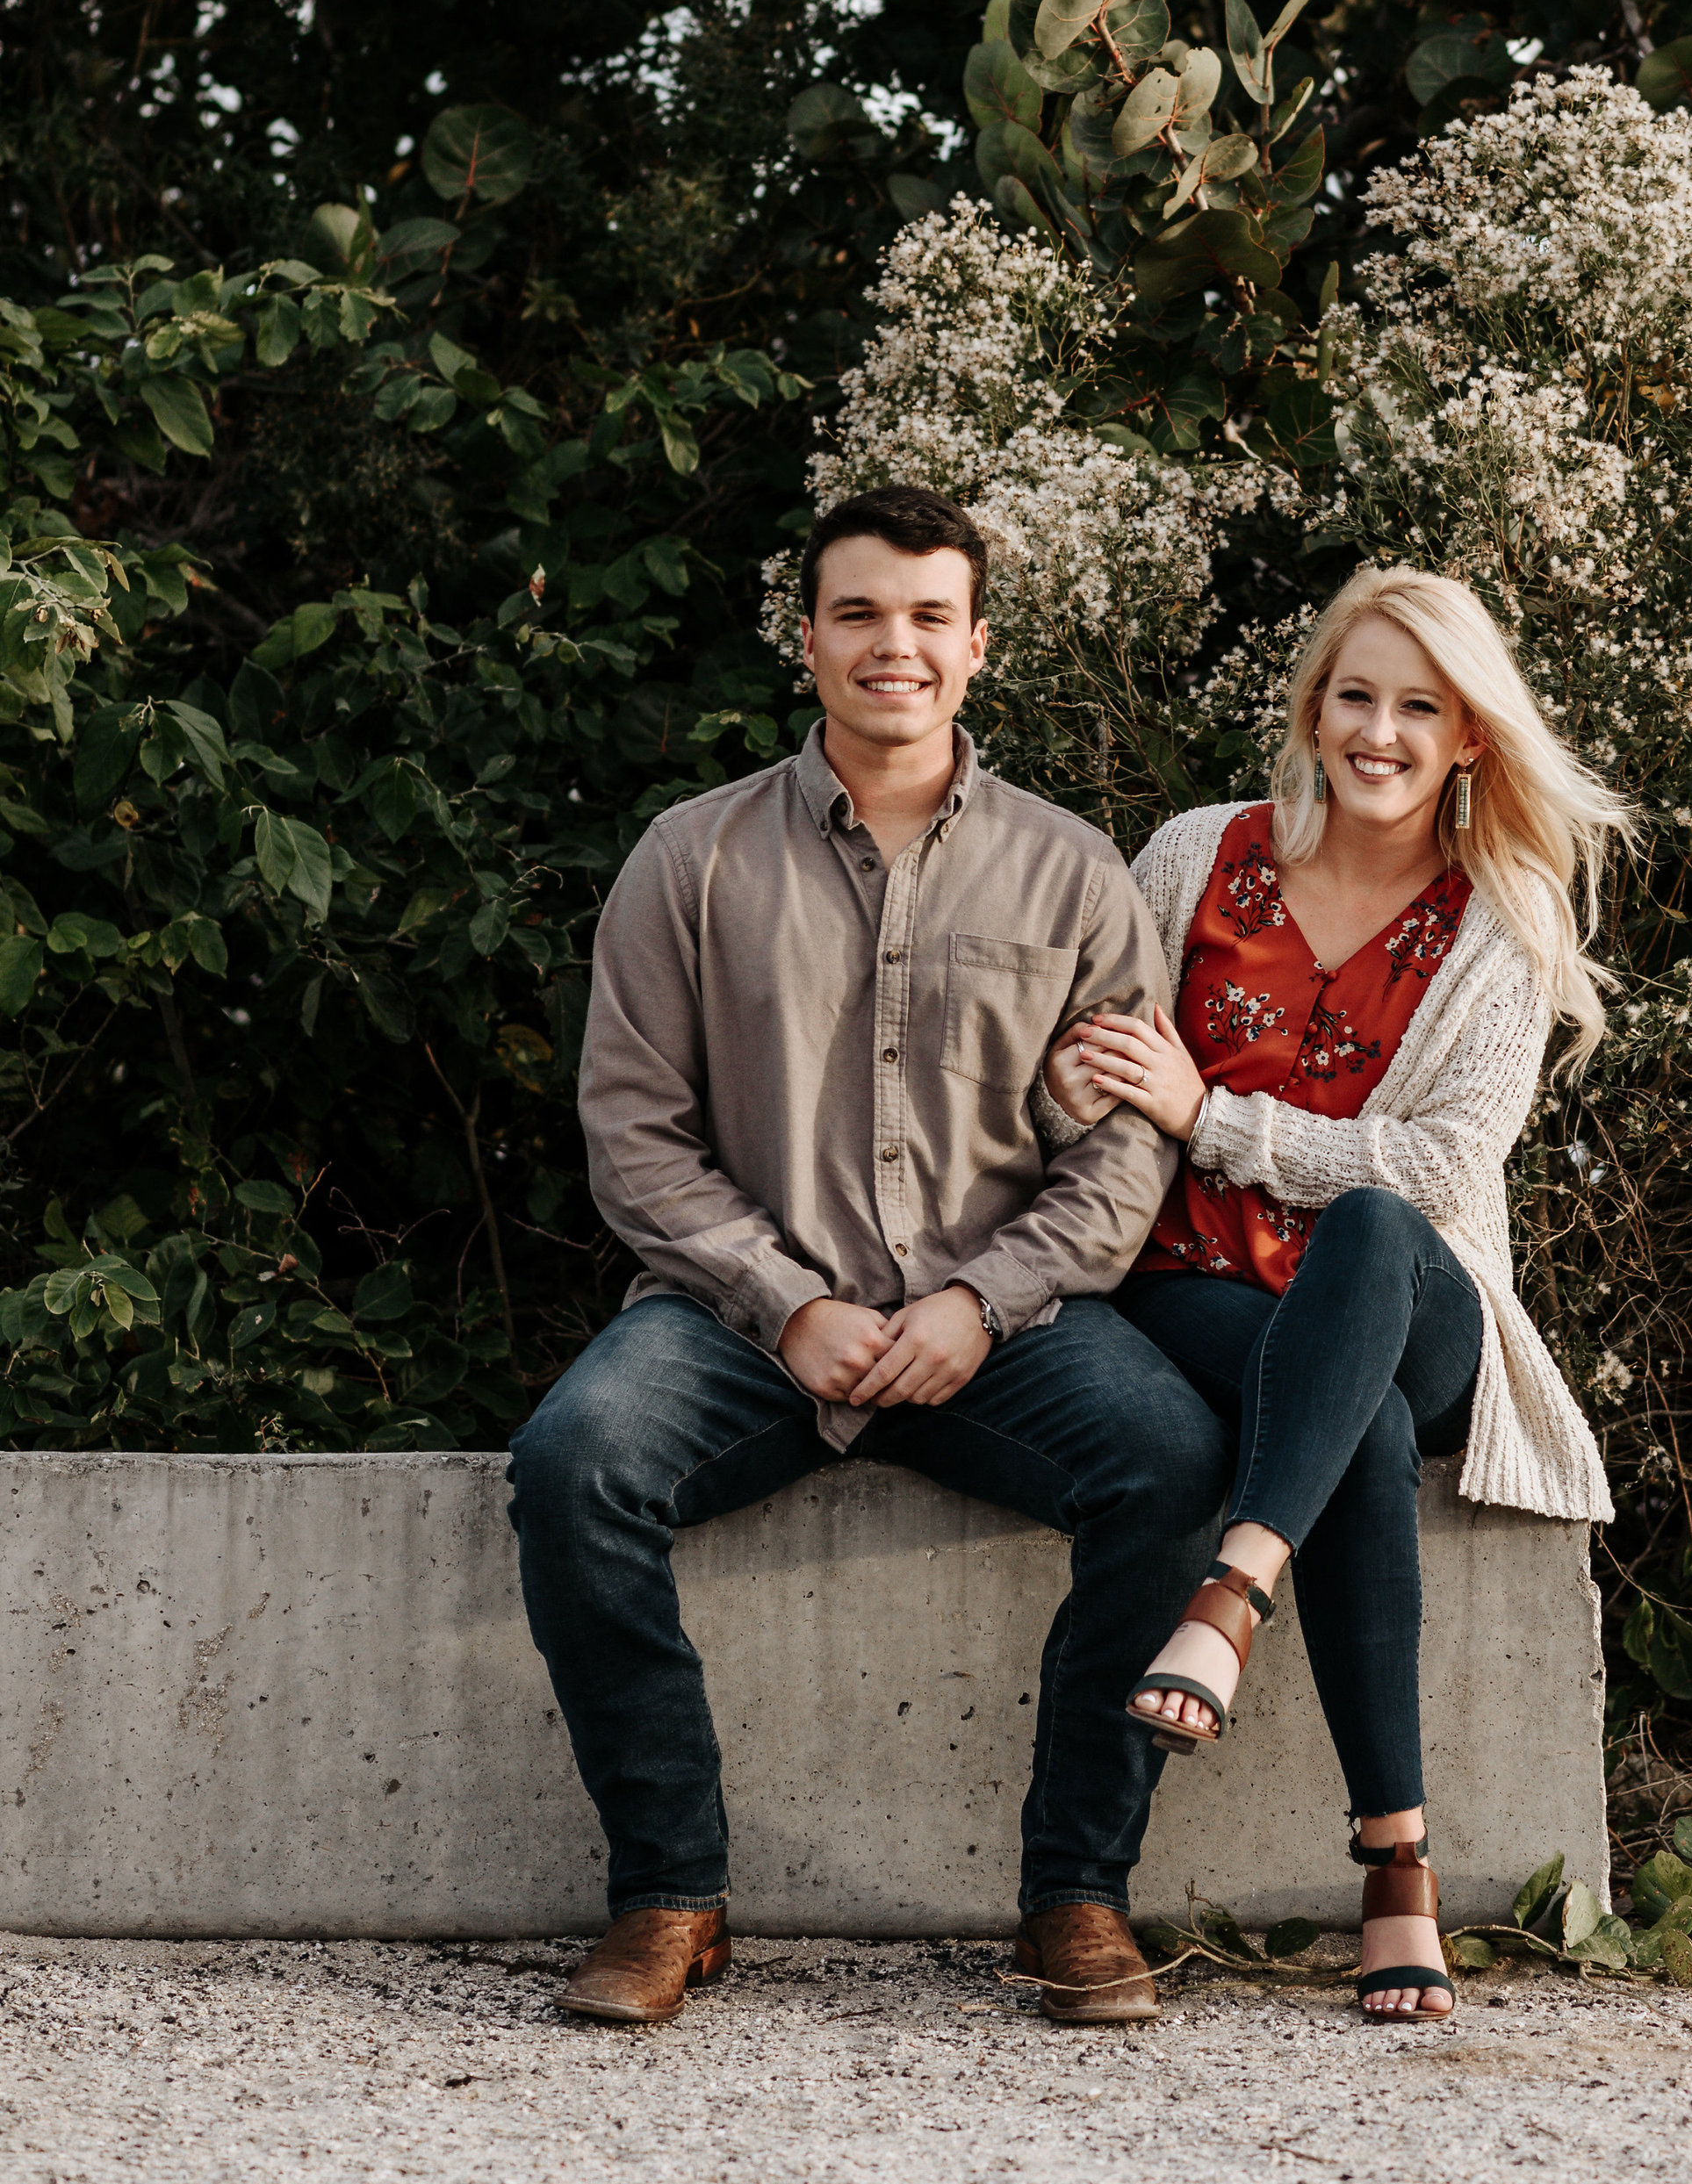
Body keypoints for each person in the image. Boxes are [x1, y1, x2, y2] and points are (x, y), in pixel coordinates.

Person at [508, 483, 1231, 2030]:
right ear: (810, 637)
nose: (890, 643)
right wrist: (786, 1306)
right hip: (738, 1317)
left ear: (975, 646)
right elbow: (635, 1133)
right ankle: (669, 1896)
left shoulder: (1072, 871)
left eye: (925, 615)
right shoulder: (690, 859)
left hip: (1005, 1322)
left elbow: (1126, 1149)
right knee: (576, 1461)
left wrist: (986, 1298)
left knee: (1169, 1455)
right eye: (857, 612)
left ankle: (1075, 1898)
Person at [1041, 564, 1626, 2024]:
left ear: (1469, 736)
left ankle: (1232, 1592)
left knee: (1370, 1229)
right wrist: (1083, 1086)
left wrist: (1209, 1116)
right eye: (1355, 695)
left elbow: (1439, 1168)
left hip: (1413, 1301)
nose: (1379, 730)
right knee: (1340, 1424)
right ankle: (1397, 1870)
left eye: (1418, 706)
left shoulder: (1505, 914)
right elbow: (1086, 1060)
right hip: (1194, 1290)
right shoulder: (1195, 855)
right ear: (1314, 706)